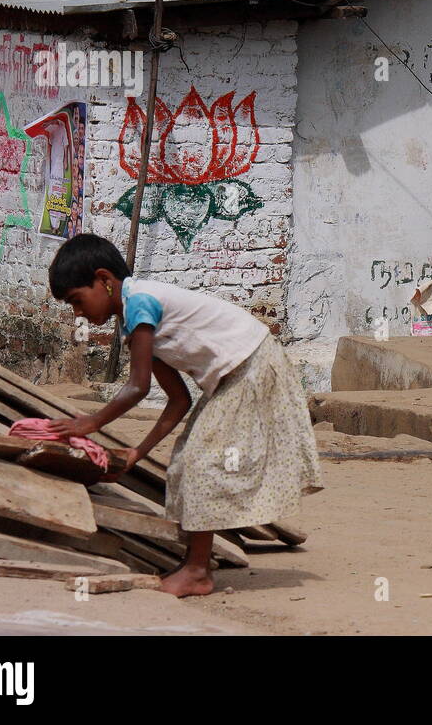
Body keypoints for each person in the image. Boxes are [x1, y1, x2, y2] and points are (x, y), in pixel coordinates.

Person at [46, 234, 323, 597]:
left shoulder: (140, 303)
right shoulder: (135, 319)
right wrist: (136, 453)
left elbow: (137, 387)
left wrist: (92, 422)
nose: (78, 313)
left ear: (104, 280)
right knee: (184, 462)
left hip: (251, 366)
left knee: (201, 463)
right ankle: (194, 563)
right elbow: (177, 400)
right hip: (235, 373)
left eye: (76, 301)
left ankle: (196, 571)